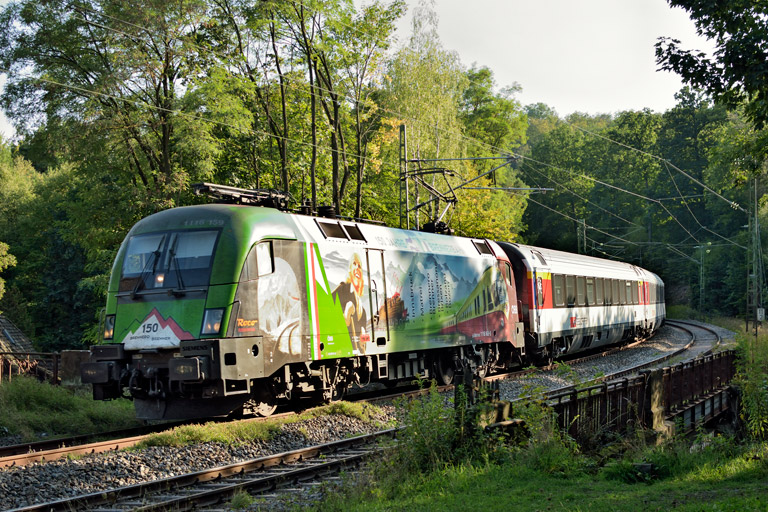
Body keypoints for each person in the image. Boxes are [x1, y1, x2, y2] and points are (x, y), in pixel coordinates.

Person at [332, 253, 368, 353]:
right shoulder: (342, 289)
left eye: (359, 266)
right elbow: (326, 306)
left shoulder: (362, 311)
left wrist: (363, 341)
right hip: (341, 348)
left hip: (354, 352)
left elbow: (363, 348)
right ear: (350, 269)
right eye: (354, 264)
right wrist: (344, 316)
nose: (357, 268)